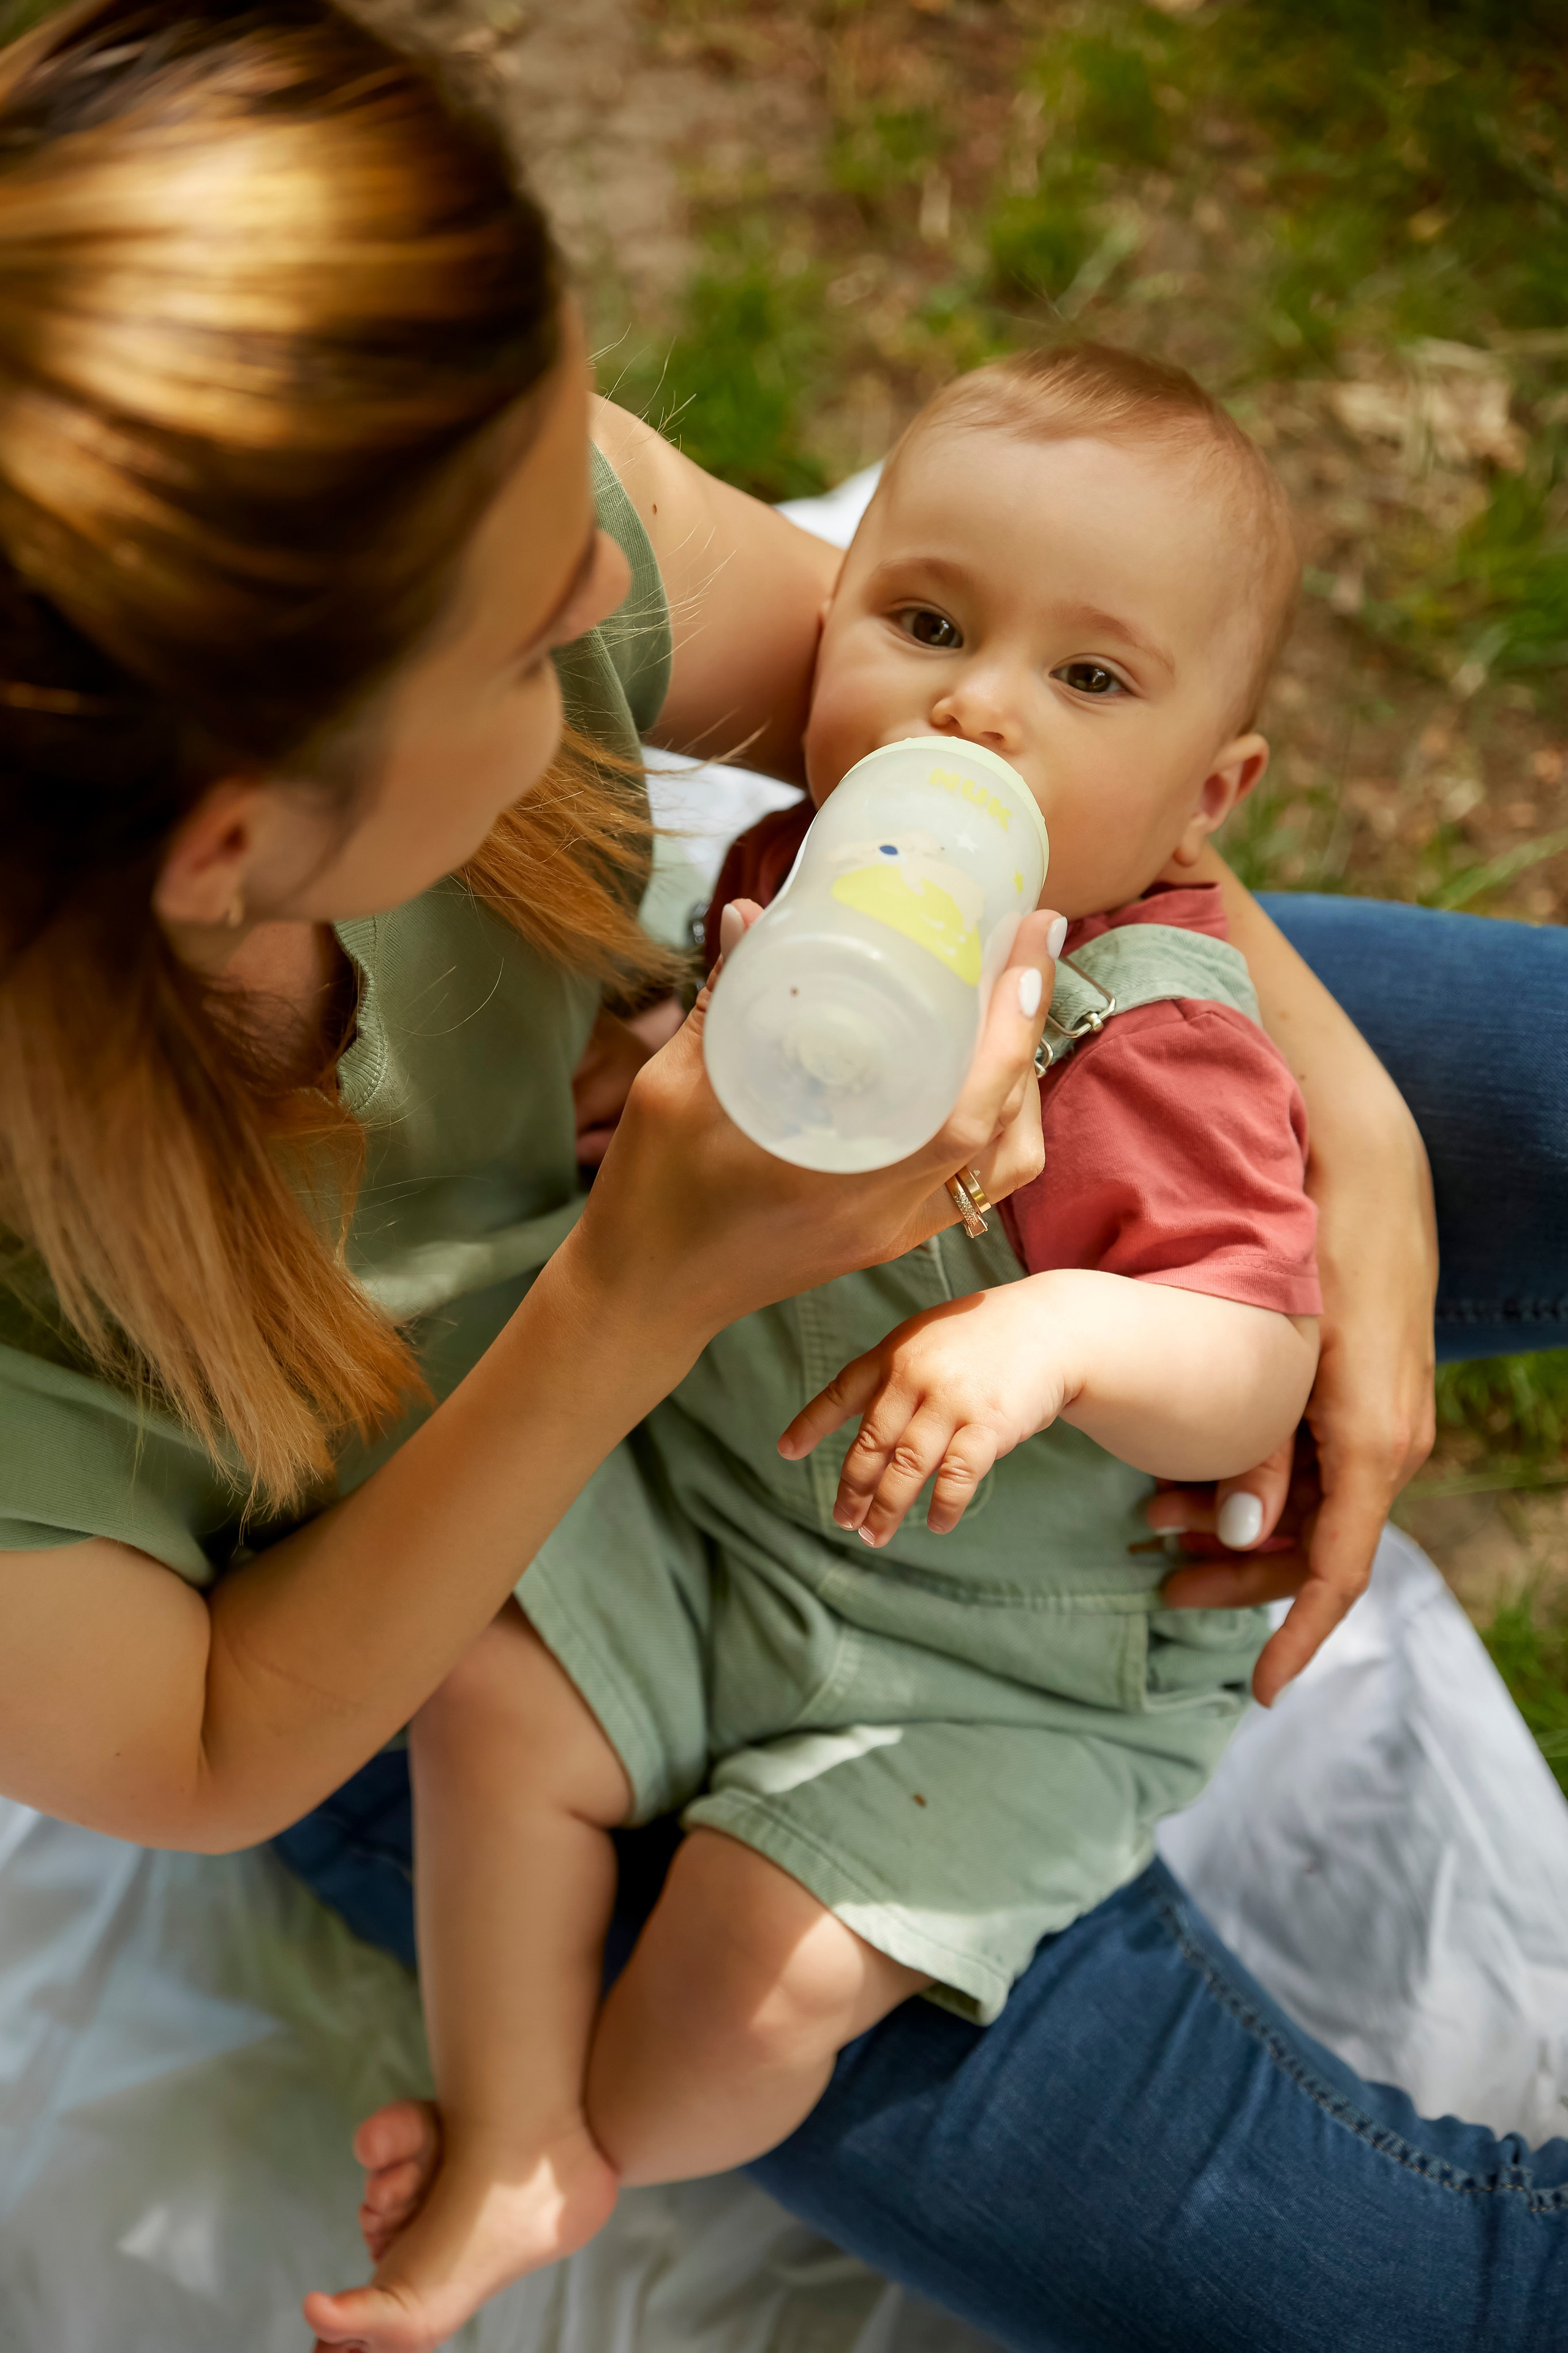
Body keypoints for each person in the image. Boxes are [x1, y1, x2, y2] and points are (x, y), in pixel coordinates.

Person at [0, 6, 1553, 2351]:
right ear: (227, 849)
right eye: (537, 642)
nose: (612, 610)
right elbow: (206, 1742)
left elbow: (1025, 794)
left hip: (951, 1233)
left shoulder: (447, 490)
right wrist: (637, 1288)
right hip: (480, 1598)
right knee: (1405, 2298)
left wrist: (1362, 1149)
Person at [301, 342, 1329, 2353]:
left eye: (1087, 678)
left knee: (744, 1992)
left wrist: (1059, 1329)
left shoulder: (1161, 1042)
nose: (976, 709)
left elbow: (1259, 1366)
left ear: (1207, 795)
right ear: (828, 624)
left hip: (988, 1662)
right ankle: (519, 2133)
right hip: (716, 1502)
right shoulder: (798, 876)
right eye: (925, 624)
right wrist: (655, 1048)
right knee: (488, 1690)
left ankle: (618, 2119)